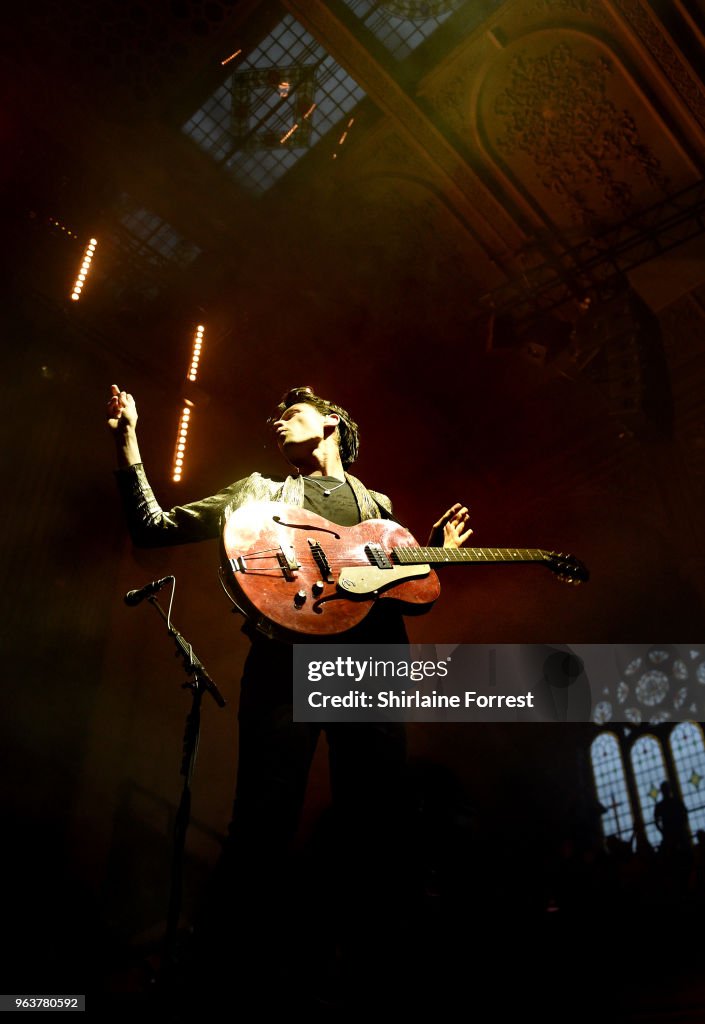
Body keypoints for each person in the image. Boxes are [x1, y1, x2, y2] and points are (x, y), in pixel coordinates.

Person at [107, 382, 471, 1010]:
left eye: (293, 413)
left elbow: (395, 589)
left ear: (332, 424)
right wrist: (128, 441)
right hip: (286, 656)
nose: (277, 421)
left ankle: (381, 982)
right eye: (276, 415)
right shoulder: (256, 491)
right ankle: (220, 984)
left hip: (372, 663)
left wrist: (432, 556)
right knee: (262, 822)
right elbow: (154, 527)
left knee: (379, 824)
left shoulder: (376, 504)